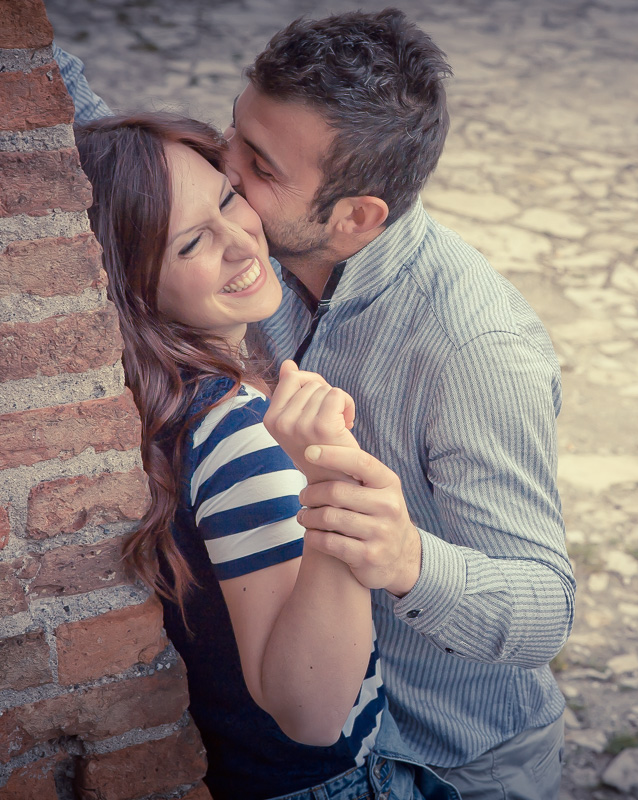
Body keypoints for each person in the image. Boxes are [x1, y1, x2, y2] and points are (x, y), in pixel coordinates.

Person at [223, 10, 575, 798]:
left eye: (260, 166)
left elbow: (546, 610)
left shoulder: (474, 347)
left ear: (356, 218)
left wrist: (408, 560)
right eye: (233, 135)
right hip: (318, 754)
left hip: (453, 762)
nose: (226, 172)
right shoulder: (261, 244)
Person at [74, 113, 456, 800]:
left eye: (226, 198)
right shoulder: (236, 433)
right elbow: (309, 711)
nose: (240, 242)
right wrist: (331, 478)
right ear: (135, 283)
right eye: (192, 242)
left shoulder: (166, 403)